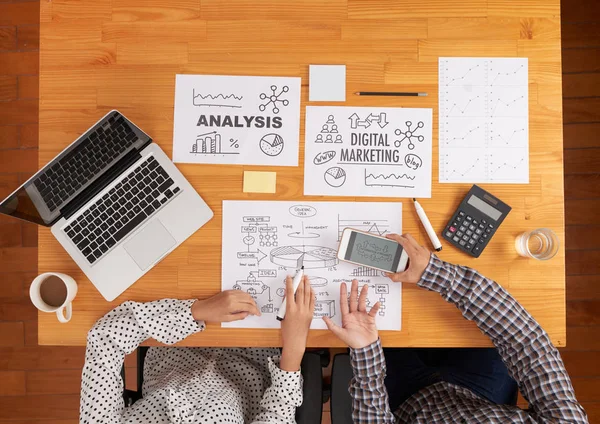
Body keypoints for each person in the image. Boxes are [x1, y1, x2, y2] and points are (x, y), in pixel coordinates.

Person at [323, 233, 588, 423]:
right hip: (479, 395)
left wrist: (365, 349)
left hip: (406, 400)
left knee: (383, 327)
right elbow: (527, 344)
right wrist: (433, 272)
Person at [79, 276, 315, 423]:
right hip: (256, 348)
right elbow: (278, 413)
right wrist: (295, 345)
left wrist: (196, 312)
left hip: (179, 331)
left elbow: (105, 338)